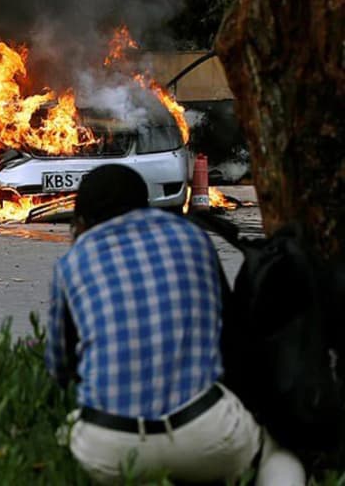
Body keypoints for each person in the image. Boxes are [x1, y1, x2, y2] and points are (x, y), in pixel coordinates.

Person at [45, 164, 305, 485]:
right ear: (145, 206)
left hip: (112, 449)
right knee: (278, 453)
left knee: (67, 434)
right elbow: (229, 335)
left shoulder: (71, 264)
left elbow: (60, 368)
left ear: (81, 222)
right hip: (206, 434)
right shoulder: (192, 237)